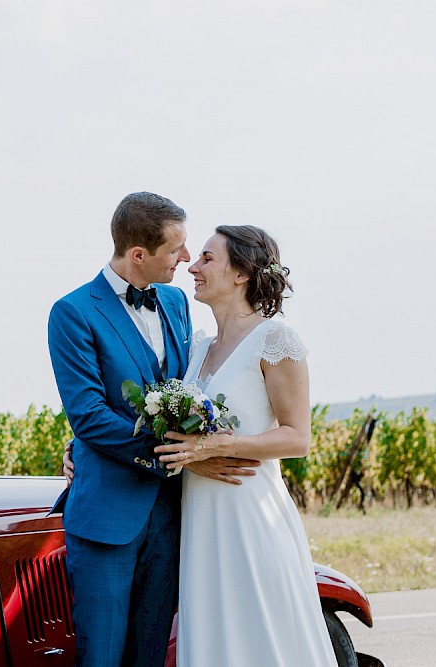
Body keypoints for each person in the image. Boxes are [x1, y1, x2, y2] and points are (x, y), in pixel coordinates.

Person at [48, 193, 258, 667]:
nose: (187, 261)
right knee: (100, 656)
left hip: (174, 516)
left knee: (152, 655)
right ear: (138, 255)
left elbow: (190, 388)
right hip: (107, 517)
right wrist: (181, 452)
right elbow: (89, 416)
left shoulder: (177, 303)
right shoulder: (73, 312)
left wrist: (199, 447)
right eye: (177, 249)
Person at [153, 225, 338, 666]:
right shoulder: (196, 349)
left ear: (241, 273)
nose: (192, 267)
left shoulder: (276, 340)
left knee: (261, 636)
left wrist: (218, 446)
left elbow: (298, 437)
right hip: (200, 518)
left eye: (206, 258)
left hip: (251, 514)